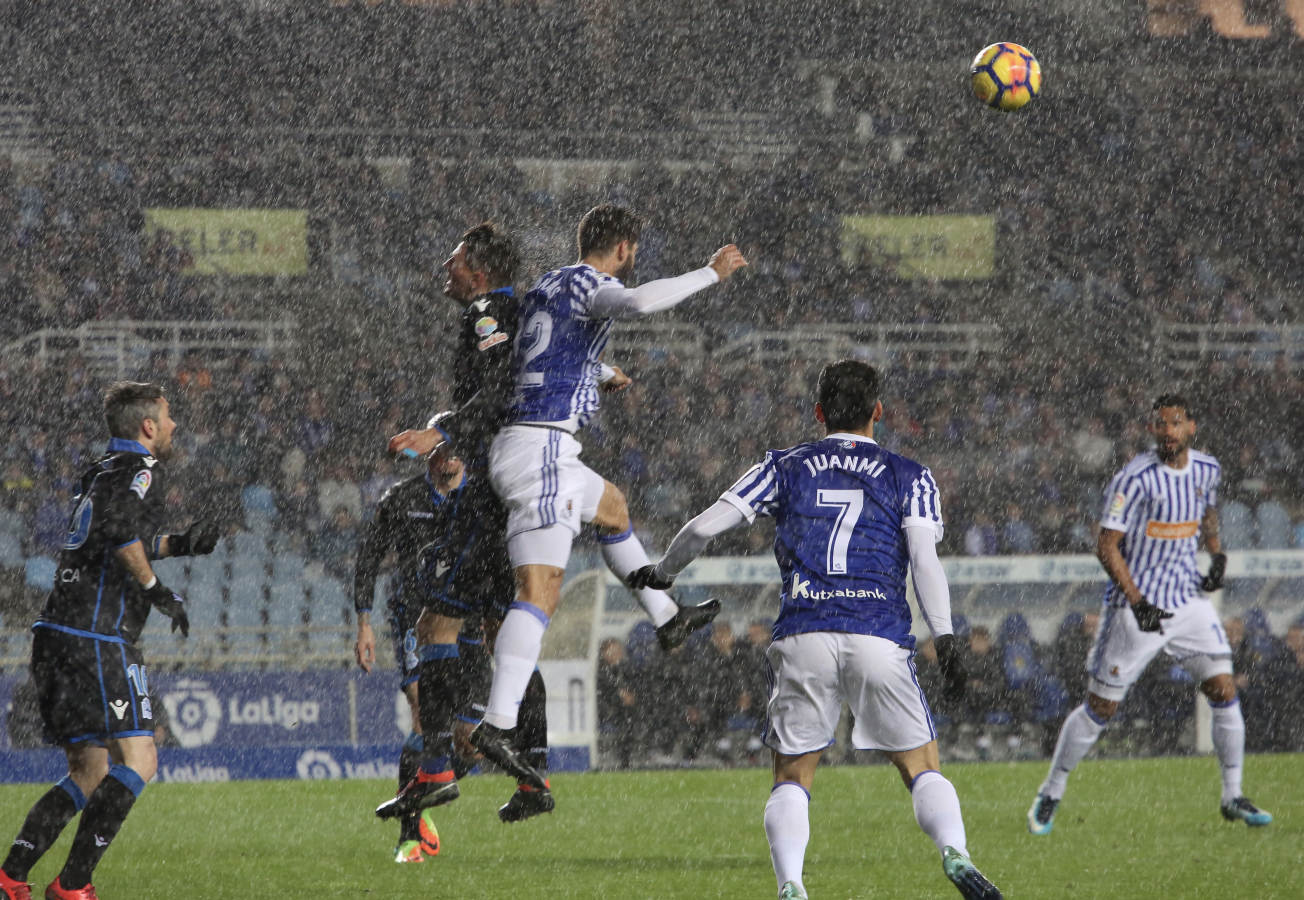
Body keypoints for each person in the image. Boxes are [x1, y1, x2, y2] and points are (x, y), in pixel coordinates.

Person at [628, 359, 1001, 900]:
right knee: (921, 767)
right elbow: (924, 560)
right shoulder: (909, 474)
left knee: (793, 777)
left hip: (804, 632)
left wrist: (662, 574)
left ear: (820, 412)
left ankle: (793, 885)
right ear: (878, 410)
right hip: (878, 633)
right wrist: (945, 639)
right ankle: (954, 852)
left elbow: (703, 527)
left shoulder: (784, 466)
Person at [469, 203, 748, 788]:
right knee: (539, 594)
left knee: (613, 506)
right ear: (623, 249)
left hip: (538, 446)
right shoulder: (593, 283)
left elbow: (538, 354)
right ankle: (496, 724)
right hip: (540, 448)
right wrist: (710, 274)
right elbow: (641, 302)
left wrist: (598, 371)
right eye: (632, 254)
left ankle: (666, 616)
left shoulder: (549, 284)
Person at [0, 381, 219, 900]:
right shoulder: (141, 470)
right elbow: (122, 532)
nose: (173, 426)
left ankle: (10, 877)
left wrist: (182, 545)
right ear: (147, 427)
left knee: (89, 770)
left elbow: (118, 536)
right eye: (167, 418)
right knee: (139, 760)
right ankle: (73, 886)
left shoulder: (99, 471)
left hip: (56, 633)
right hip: (98, 637)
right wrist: (155, 589)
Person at [1027, 393, 1272, 836]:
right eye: (1160, 424)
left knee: (1223, 688)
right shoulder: (1133, 478)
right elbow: (1106, 544)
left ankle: (1232, 795)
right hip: (1135, 606)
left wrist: (1215, 554)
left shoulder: (1207, 469)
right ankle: (1052, 791)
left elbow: (1208, 511)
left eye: (1175, 423)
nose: (1167, 432)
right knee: (1100, 708)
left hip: (1187, 601)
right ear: (1153, 429)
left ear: (1191, 427)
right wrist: (1138, 603)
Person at [381, 224, 552, 823]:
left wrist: (443, 430)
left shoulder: (485, 310)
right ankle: (535, 772)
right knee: (509, 632)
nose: (445, 268)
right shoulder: (528, 310)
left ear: (478, 270)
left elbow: (503, 385)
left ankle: (434, 772)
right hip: (526, 489)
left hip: (492, 490)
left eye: (453, 259)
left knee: (435, 627)